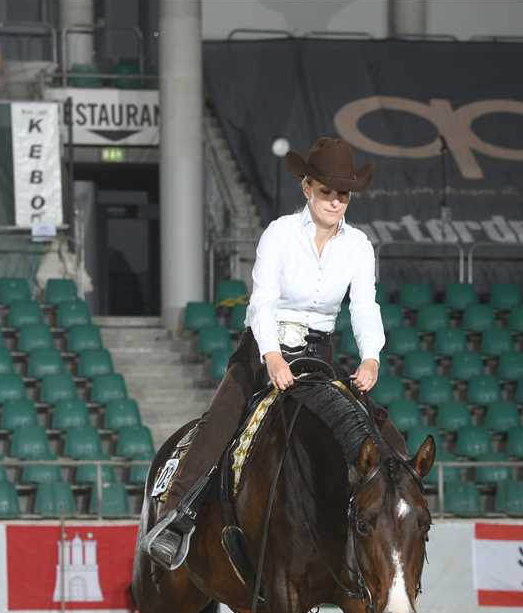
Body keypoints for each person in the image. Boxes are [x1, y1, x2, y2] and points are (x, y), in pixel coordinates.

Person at [144, 136, 385, 571]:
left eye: (343, 193)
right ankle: (175, 515)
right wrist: (271, 357)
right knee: (222, 418)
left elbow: (365, 306)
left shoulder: (359, 246)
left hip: (318, 353)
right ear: (307, 188)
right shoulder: (279, 233)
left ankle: (369, 524)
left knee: (369, 424)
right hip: (264, 345)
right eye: (326, 191)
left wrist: (371, 357)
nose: (335, 201)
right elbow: (262, 302)